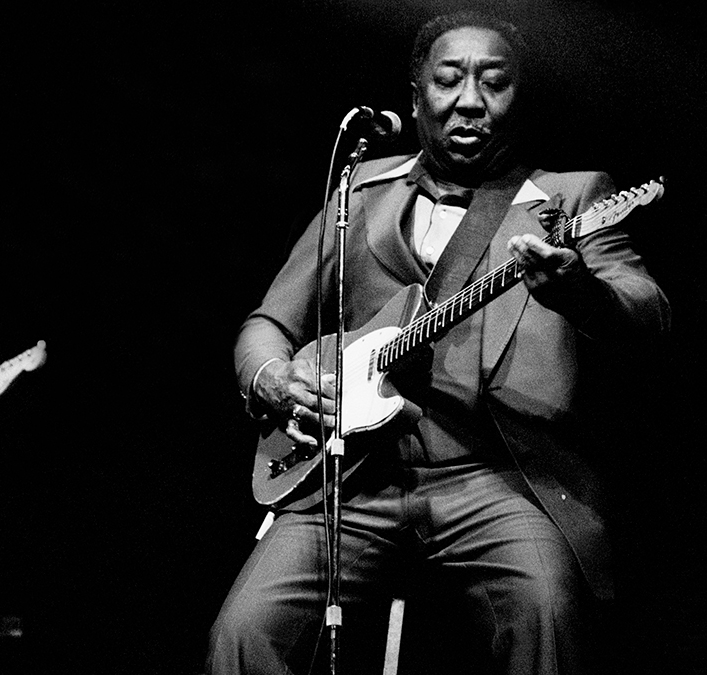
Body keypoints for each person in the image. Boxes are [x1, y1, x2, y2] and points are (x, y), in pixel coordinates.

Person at [207, 10, 669, 675]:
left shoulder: (568, 201)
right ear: (417, 95)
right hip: (354, 480)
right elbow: (266, 326)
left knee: (547, 609)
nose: (471, 99)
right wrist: (274, 381)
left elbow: (647, 313)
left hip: (494, 480)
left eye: (494, 81)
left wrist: (579, 291)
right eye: (449, 79)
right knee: (244, 631)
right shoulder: (359, 193)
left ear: (520, 96)